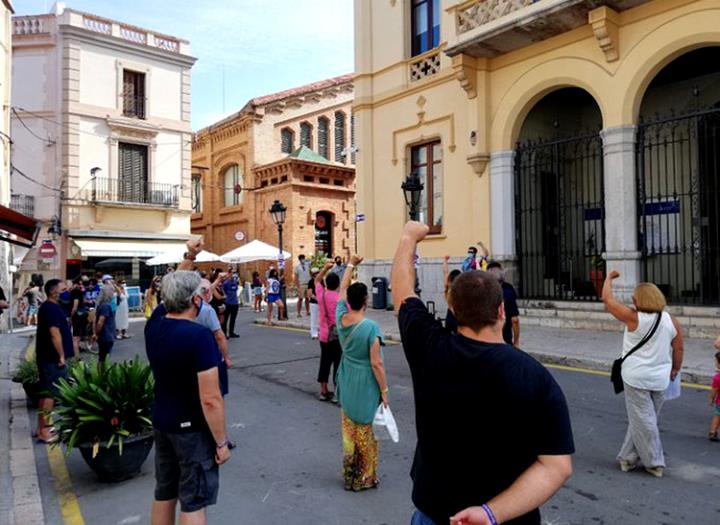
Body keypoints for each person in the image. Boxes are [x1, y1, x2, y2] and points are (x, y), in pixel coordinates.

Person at [392, 221, 574, 525]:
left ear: (452, 309)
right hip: (507, 520)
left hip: (435, 513)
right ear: (501, 311)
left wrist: (409, 236)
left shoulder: (428, 347)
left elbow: (402, 290)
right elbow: (557, 467)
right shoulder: (535, 376)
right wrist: (490, 513)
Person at [145, 271, 231, 525]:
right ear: (195, 300)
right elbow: (210, 398)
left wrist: (188, 260)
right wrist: (221, 442)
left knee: (165, 491)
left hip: (163, 422)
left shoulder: (155, 324)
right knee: (194, 500)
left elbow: (168, 295)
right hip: (192, 429)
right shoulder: (198, 336)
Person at [603, 270, 684, 478]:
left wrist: (609, 279)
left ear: (638, 300)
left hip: (636, 378)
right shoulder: (671, 320)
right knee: (645, 420)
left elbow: (607, 300)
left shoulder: (633, 318)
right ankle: (627, 459)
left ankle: (653, 462)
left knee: (644, 421)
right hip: (660, 379)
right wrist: (676, 368)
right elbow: (679, 348)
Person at [335, 255, 388, 492]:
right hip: (366, 380)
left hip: (346, 375)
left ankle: (350, 475)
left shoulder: (341, 317)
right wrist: (384, 391)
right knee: (366, 430)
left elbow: (342, 288)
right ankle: (365, 477)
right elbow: (376, 363)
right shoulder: (370, 328)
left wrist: (350, 265)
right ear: (366, 300)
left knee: (349, 429)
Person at [35, 279, 74, 444]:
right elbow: (54, 333)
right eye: (64, 289)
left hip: (47, 357)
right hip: (52, 358)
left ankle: (42, 427)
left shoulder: (49, 307)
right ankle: (44, 431)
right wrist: (61, 356)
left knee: (46, 392)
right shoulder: (50, 309)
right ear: (53, 292)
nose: (67, 291)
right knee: (51, 394)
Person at [197, 278, 231, 396]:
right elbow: (219, 335)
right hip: (211, 355)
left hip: (194, 356)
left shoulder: (188, 308)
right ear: (207, 293)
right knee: (217, 392)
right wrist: (226, 357)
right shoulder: (207, 310)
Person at [315, 263, 342, 401]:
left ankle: (323, 390)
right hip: (337, 336)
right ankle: (337, 392)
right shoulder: (339, 299)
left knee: (325, 362)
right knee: (338, 363)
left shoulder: (321, 295)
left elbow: (317, 280)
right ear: (337, 284)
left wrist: (325, 268)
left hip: (324, 335)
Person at [487, 261, 521, 347]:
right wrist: (516, 341)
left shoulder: (483, 291)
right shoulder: (508, 291)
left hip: (486, 338)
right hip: (505, 338)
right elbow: (515, 320)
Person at [93, 284, 117, 368]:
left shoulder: (101, 305)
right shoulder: (106, 306)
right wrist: (96, 333)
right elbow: (100, 322)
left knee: (102, 357)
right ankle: (102, 375)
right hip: (106, 335)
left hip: (105, 335)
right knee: (104, 358)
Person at [442, 255, 461, 333]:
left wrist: (445, 261)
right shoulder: (462, 289)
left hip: (449, 316)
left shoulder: (448, 287)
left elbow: (445, 272)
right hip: (459, 316)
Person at [222, 269, 240, 338]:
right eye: (232, 273)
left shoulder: (235, 282)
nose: (233, 275)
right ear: (229, 274)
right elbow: (223, 291)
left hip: (235, 303)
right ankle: (224, 333)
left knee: (233, 319)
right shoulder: (226, 283)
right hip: (228, 303)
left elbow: (236, 289)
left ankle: (231, 332)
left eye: (234, 273)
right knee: (226, 319)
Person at [709, 346, 720, 442]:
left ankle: (712, 432)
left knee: (717, 416)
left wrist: (711, 399)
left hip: (719, 402)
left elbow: (714, 390)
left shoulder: (717, 378)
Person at [309, 268, 320, 339]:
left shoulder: (321, 280)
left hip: (320, 302)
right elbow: (309, 293)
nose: (318, 273)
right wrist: (317, 298)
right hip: (314, 303)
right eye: (317, 272)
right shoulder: (311, 281)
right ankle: (314, 333)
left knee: (320, 318)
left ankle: (319, 332)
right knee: (314, 318)